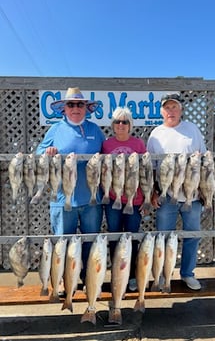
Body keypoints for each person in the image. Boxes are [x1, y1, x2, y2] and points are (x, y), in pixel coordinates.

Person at [36, 87, 105, 281]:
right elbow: (38, 153)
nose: (76, 108)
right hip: (62, 198)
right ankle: (65, 282)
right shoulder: (55, 129)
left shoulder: (95, 130)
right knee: (62, 244)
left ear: (86, 108)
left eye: (80, 104)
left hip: (91, 199)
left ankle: (88, 280)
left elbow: (108, 155)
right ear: (64, 109)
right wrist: (47, 152)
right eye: (71, 104)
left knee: (90, 244)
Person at [147, 92, 206, 290]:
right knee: (163, 237)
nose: (171, 111)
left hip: (193, 195)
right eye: (167, 107)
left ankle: (187, 274)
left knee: (192, 236)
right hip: (166, 195)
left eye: (174, 107)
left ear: (180, 109)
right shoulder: (155, 134)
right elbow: (151, 168)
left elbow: (204, 160)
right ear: (161, 111)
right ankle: (163, 275)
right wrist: (153, 193)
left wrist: (205, 190)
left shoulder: (192, 129)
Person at [101, 106, 146, 291]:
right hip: (112, 199)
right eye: (117, 121)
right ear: (112, 125)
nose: (121, 125)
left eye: (124, 122)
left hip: (134, 201)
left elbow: (146, 173)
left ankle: (133, 275)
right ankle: (116, 275)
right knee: (114, 238)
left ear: (130, 125)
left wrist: (147, 197)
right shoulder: (106, 145)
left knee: (132, 238)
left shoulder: (139, 144)